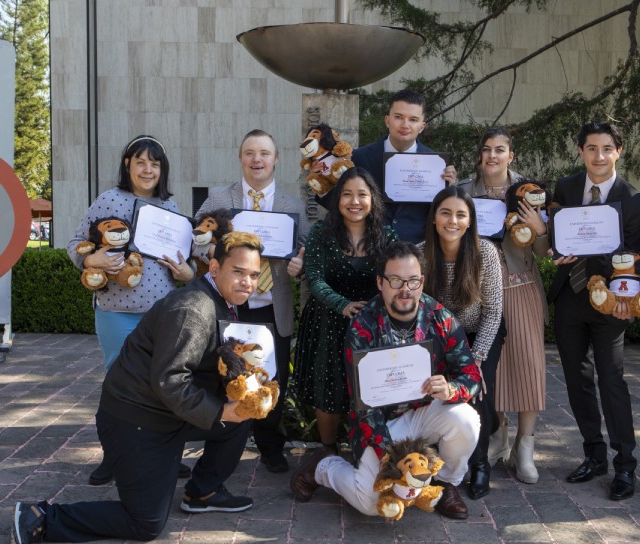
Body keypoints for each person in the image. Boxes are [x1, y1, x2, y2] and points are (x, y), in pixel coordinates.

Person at [10, 232, 266, 544]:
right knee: (145, 523)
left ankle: (203, 493)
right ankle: (41, 517)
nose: (247, 282)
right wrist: (221, 412)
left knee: (243, 417)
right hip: (135, 421)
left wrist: (243, 394)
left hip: (167, 413)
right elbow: (171, 382)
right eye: (239, 271)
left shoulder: (223, 302)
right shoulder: (193, 309)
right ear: (214, 268)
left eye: (254, 275)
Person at [290, 241, 482, 520]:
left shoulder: (440, 318)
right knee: (370, 504)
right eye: (395, 280)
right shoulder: (363, 326)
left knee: (465, 419)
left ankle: (444, 485)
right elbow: (364, 407)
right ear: (380, 282)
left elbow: (472, 376)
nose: (405, 289)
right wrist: (392, 461)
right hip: (379, 424)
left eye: (413, 281)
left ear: (422, 282)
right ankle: (325, 467)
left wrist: (451, 389)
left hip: (423, 414)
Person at [67, 135, 195, 486]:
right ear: (128, 165)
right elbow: (74, 244)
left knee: (164, 384)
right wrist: (89, 259)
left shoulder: (172, 209)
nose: (147, 169)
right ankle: (115, 457)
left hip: (162, 314)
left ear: (162, 169)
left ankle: (166, 454)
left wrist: (189, 274)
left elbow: (189, 265)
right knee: (117, 385)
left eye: (154, 163)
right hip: (116, 311)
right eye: (140, 161)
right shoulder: (109, 199)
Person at [196, 129, 308, 474]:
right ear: (240, 158)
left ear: (276, 159)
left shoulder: (293, 206)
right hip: (229, 305)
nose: (256, 159)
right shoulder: (218, 198)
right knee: (224, 375)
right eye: (249, 153)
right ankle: (220, 444)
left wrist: (300, 266)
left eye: (264, 153)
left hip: (273, 306)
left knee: (272, 378)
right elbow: (195, 240)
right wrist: (214, 250)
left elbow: (304, 250)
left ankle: (270, 445)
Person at [550, 121, 640, 501]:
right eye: (591, 148)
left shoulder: (635, 200)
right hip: (570, 296)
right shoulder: (567, 187)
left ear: (618, 152)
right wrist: (557, 250)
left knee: (611, 381)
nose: (599, 156)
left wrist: (621, 293)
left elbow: (632, 259)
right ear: (581, 151)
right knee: (577, 380)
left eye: (607, 148)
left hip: (610, 301)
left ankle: (625, 464)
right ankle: (594, 455)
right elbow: (557, 234)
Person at [459, 127, 550, 485]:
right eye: (486, 150)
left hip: (520, 285)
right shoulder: (464, 190)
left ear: (511, 155)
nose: (492, 156)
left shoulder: (530, 192)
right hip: (477, 290)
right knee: (489, 368)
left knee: (528, 366)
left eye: (500, 150)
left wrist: (539, 228)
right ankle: (497, 436)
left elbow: (544, 253)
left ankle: (525, 447)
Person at [292, 167, 398, 452]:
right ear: (338, 199)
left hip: (373, 323)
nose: (355, 201)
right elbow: (313, 278)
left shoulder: (387, 234)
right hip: (328, 321)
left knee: (370, 389)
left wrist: (375, 309)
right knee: (329, 391)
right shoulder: (321, 233)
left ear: (372, 199)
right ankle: (328, 450)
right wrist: (343, 305)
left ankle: (366, 448)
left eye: (362, 194)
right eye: (347, 194)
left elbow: (395, 277)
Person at [418, 187, 504, 499]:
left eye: (460, 215)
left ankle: (480, 464)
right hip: (434, 338)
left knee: (477, 392)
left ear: (470, 222)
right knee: (434, 392)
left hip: (477, 334)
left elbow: (494, 312)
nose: (452, 221)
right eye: (445, 213)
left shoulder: (486, 253)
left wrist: (476, 358)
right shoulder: (420, 254)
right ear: (434, 219)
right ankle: (433, 461)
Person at [313, 88, 457, 243]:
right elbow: (340, 204)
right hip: (367, 249)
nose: (405, 125)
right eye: (398, 117)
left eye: (413, 119)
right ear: (387, 120)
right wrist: (322, 187)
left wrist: (450, 189)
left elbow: (442, 214)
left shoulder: (436, 164)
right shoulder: (358, 157)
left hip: (415, 252)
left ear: (422, 127)